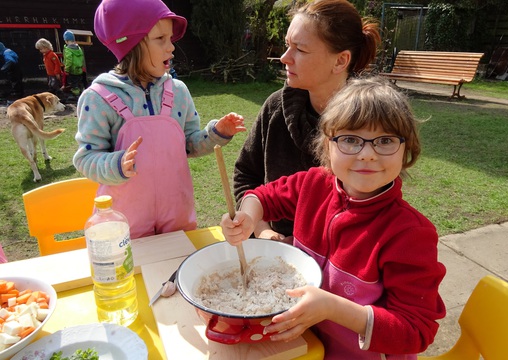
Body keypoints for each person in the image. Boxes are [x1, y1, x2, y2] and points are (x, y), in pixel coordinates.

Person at [221, 77, 446, 359]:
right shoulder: (313, 184)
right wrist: (247, 218)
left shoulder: (410, 234)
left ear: (407, 150)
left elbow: (416, 331)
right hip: (302, 348)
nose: (367, 154)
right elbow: (262, 197)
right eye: (350, 139)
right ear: (327, 145)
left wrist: (332, 308)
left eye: (385, 141)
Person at [73, 0, 245, 240]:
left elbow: (189, 144)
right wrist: (116, 164)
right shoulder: (98, 98)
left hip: (176, 214)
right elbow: (86, 158)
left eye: (170, 39)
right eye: (160, 39)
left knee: (178, 272)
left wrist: (216, 132)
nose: (171, 48)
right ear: (131, 45)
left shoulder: (178, 92)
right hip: (125, 222)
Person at [233, 0, 380, 241]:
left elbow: (370, 211)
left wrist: (307, 245)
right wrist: (263, 231)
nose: (284, 58)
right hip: (270, 253)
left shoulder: (370, 122)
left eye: (300, 49)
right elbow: (246, 175)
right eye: (287, 46)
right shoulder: (275, 108)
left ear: (340, 61)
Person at [62, 30, 86, 98]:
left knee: (73, 84)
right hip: (79, 69)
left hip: (72, 70)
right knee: (79, 82)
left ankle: (76, 95)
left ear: (66, 41)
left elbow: (69, 61)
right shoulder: (79, 48)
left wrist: (67, 69)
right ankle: (81, 92)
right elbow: (82, 58)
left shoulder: (68, 50)